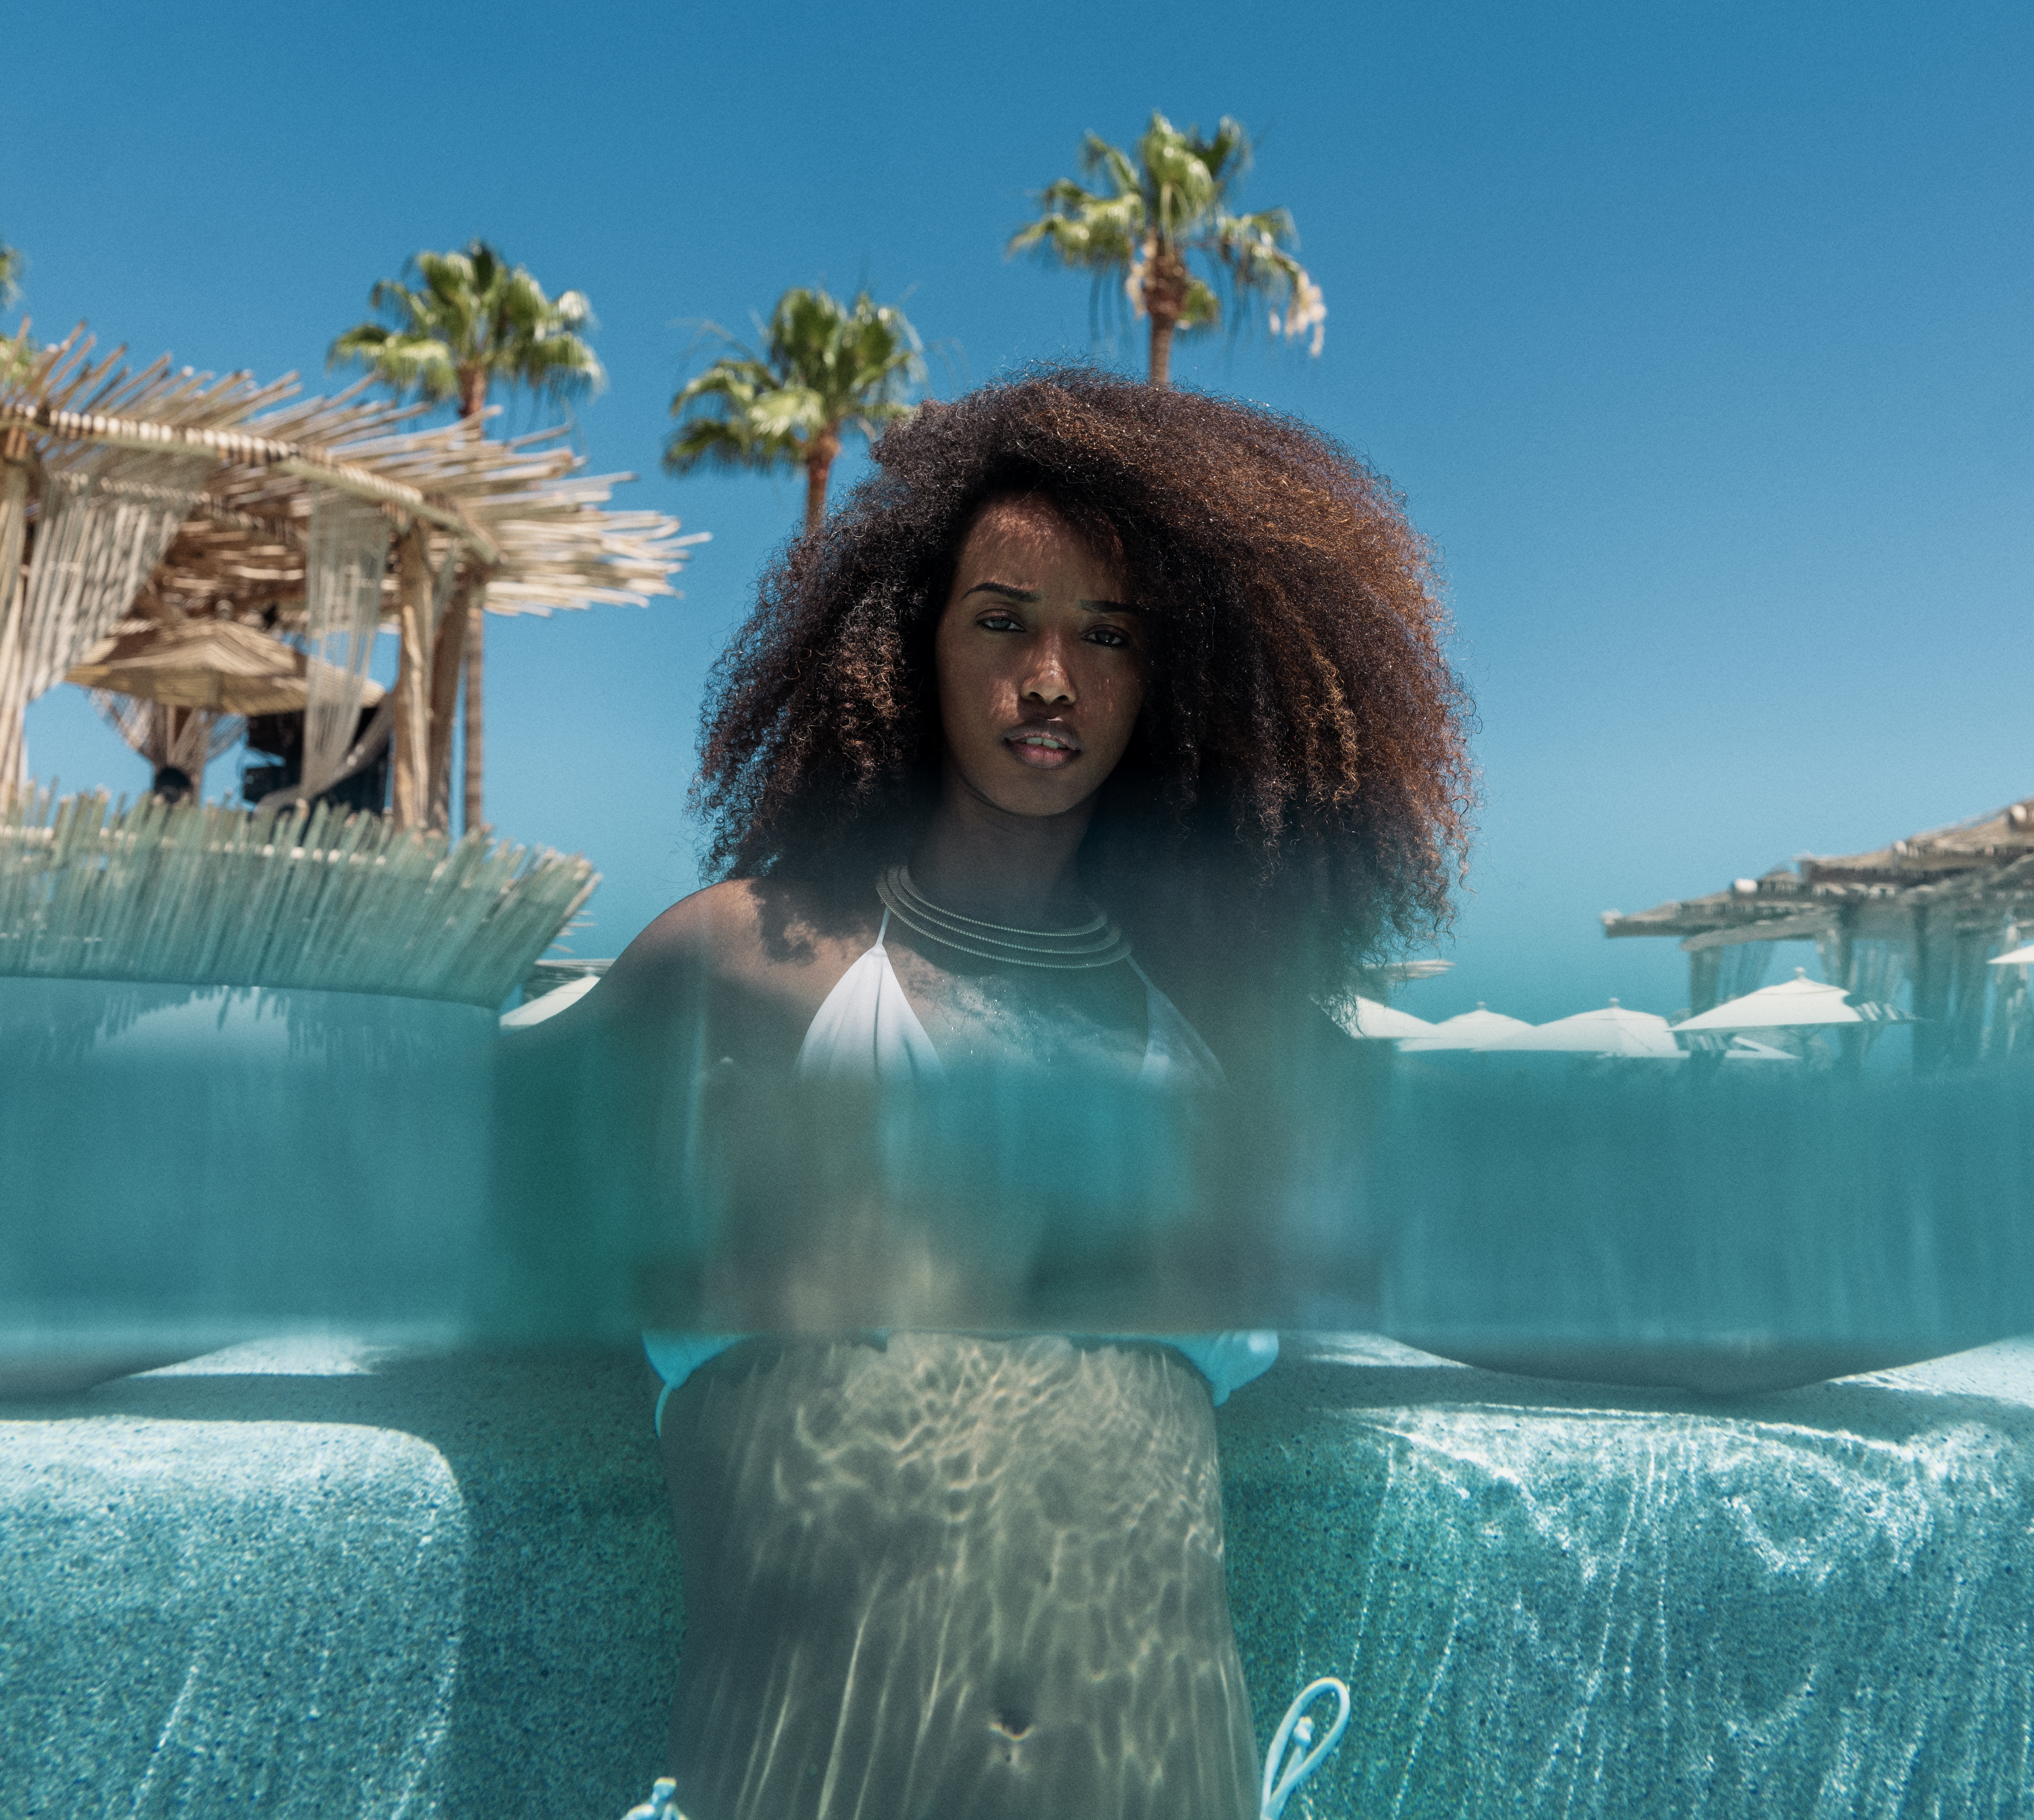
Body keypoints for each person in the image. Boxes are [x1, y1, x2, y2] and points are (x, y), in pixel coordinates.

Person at [576, 370, 1469, 1820]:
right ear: (901, 644)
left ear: (1166, 685)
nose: (1051, 679)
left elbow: (1524, 1275)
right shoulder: (745, 967)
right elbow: (378, 1183)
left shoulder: (1220, 1053)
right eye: (1003, 620)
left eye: (1106, 637)